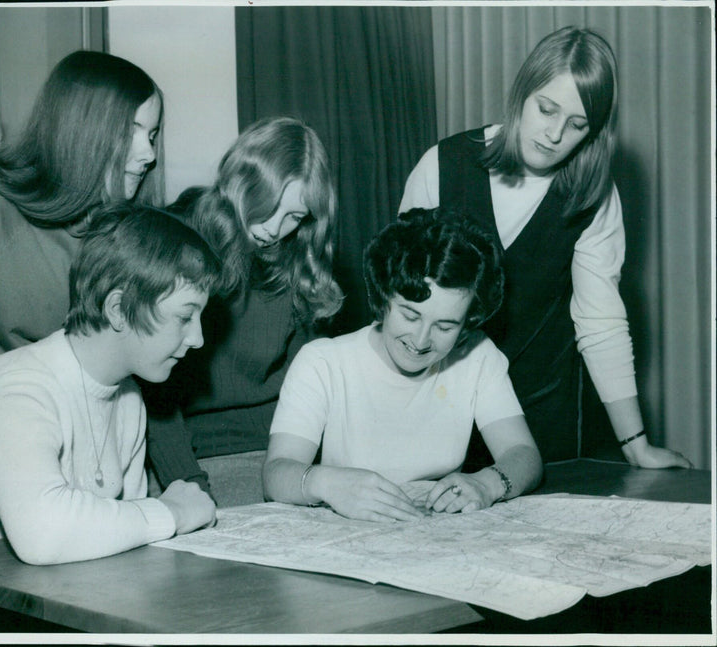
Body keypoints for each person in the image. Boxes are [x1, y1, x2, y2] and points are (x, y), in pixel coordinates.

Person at [399, 26, 690, 469]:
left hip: (543, 417)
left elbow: (602, 324)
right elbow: (400, 301)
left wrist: (636, 445)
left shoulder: (594, 196)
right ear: (522, 93)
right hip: (440, 401)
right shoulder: (440, 165)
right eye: (546, 109)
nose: (554, 134)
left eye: (577, 125)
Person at [0, 203, 219, 565]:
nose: (198, 338)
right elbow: (42, 536)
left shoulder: (128, 399)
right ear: (117, 309)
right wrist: (169, 513)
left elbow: (126, 542)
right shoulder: (20, 388)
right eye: (185, 316)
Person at [0, 50, 165, 455]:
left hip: (49, 444)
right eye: (131, 130)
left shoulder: (112, 233)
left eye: (153, 135)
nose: (149, 154)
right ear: (80, 129)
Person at [263, 210, 543, 521]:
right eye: (410, 316)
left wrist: (486, 483)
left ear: (467, 324)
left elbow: (524, 455)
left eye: (446, 326)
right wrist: (325, 482)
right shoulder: (323, 363)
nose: (421, 340)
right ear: (383, 298)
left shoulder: (478, 357)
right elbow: (275, 475)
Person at [144, 117, 344, 499]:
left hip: (283, 454)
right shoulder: (175, 239)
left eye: (295, 216)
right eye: (267, 205)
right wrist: (191, 487)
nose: (274, 228)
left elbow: (311, 389)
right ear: (239, 182)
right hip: (189, 458)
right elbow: (155, 400)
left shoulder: (298, 258)